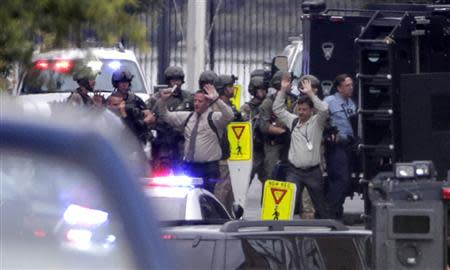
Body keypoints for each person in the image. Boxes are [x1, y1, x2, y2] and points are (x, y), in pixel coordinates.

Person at [156, 75, 234, 193]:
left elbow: (229, 115)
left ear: (208, 102)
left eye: (200, 101)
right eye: (195, 100)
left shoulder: (214, 118)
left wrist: (217, 100)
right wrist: (162, 101)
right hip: (190, 167)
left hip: (208, 169)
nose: (196, 104)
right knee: (189, 199)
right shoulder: (188, 117)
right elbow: (165, 115)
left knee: (207, 201)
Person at [272, 74, 331, 219]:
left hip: (313, 172)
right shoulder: (293, 121)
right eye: (299, 109)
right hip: (294, 171)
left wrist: (310, 93)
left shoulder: (317, 122)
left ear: (311, 110)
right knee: (287, 204)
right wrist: (283, 90)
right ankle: (282, 231)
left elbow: (324, 110)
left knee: (321, 206)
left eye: (304, 110)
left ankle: (328, 233)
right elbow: (278, 109)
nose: (301, 113)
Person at [147, 66, 194, 175]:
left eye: (178, 80)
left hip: (181, 142)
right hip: (163, 142)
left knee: (183, 173)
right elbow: (148, 116)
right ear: (168, 81)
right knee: (161, 173)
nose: (176, 83)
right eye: (173, 80)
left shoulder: (188, 98)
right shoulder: (156, 98)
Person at [324, 74, 357, 220]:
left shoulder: (351, 103)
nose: (351, 87)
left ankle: (338, 212)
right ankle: (331, 214)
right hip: (336, 146)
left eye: (351, 85)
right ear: (339, 88)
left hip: (349, 145)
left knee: (347, 180)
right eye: (347, 85)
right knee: (339, 179)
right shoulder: (329, 102)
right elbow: (320, 119)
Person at [258, 70, 297, 182]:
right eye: (288, 82)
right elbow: (263, 126)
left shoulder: (294, 100)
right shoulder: (268, 102)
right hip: (274, 146)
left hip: (290, 146)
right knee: (272, 177)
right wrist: (282, 132)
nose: (291, 85)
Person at [212, 74, 239, 212]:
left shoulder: (228, 106)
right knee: (222, 191)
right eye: (229, 86)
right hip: (221, 155)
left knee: (230, 193)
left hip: (230, 154)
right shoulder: (217, 107)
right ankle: (217, 218)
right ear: (222, 89)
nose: (233, 89)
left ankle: (227, 217)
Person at [108, 68, 155, 144]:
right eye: (121, 82)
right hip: (118, 137)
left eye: (126, 82)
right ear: (117, 84)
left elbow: (150, 116)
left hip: (136, 138)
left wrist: (142, 122)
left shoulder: (135, 99)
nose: (124, 85)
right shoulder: (110, 100)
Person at [241, 73, 268, 186]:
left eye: (265, 89)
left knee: (268, 184)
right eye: (261, 89)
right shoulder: (247, 108)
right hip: (252, 151)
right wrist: (255, 120)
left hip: (266, 149)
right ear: (254, 91)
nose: (264, 92)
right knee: (243, 184)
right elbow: (243, 128)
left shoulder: (268, 105)